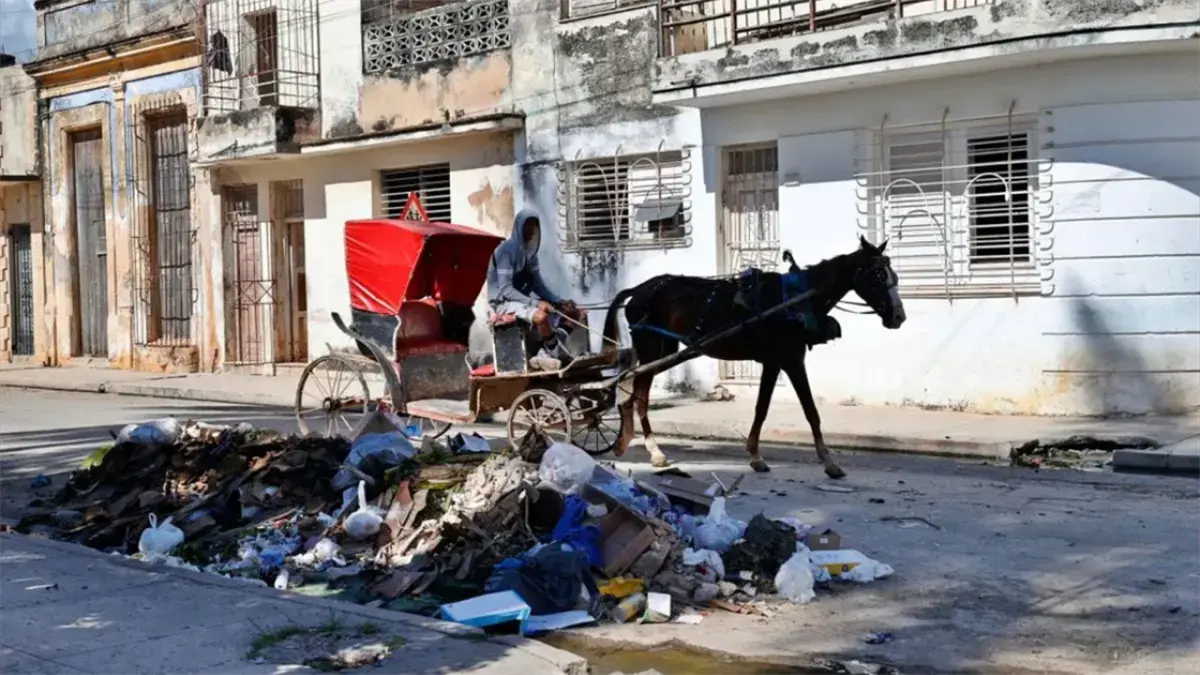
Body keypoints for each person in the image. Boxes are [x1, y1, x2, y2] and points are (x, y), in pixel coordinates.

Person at [486, 209, 583, 370]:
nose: (531, 231)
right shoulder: (506, 251)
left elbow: (538, 285)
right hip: (503, 303)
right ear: (519, 227)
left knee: (574, 313)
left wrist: (559, 301)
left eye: (534, 226)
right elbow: (505, 289)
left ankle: (544, 353)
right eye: (528, 226)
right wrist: (536, 303)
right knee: (541, 317)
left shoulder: (530, 253)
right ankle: (555, 352)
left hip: (521, 301)